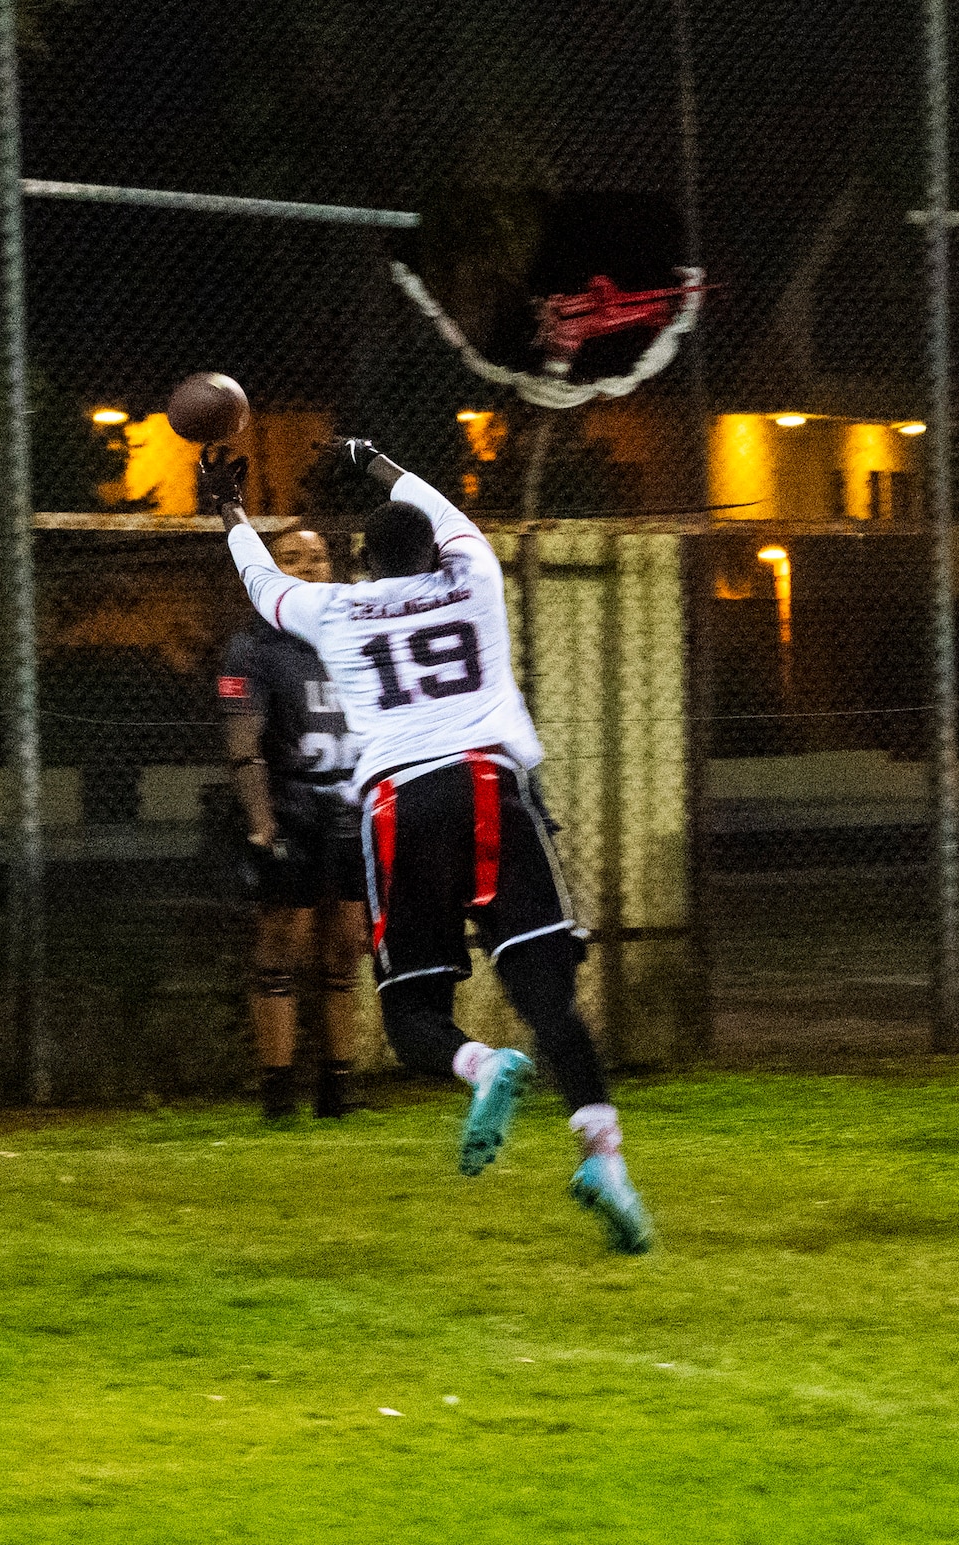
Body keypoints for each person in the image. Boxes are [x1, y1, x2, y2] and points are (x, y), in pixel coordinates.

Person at [204, 436, 653, 1254]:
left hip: (398, 803)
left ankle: (479, 1065)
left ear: (365, 564)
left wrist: (230, 509)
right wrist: (371, 459)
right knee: (549, 997)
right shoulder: (475, 572)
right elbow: (443, 508)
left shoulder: (336, 610)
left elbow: (262, 584)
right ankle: (606, 1160)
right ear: (434, 546)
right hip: (492, 786)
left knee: (412, 1012)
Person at [219, 527, 366, 1121]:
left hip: (353, 807)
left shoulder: (354, 633)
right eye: (292, 558)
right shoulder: (253, 647)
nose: (309, 568)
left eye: (318, 557)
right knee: (283, 946)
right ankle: (278, 1091)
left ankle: (338, 1088)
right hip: (292, 809)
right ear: (270, 570)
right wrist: (261, 824)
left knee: (346, 946)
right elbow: (243, 744)